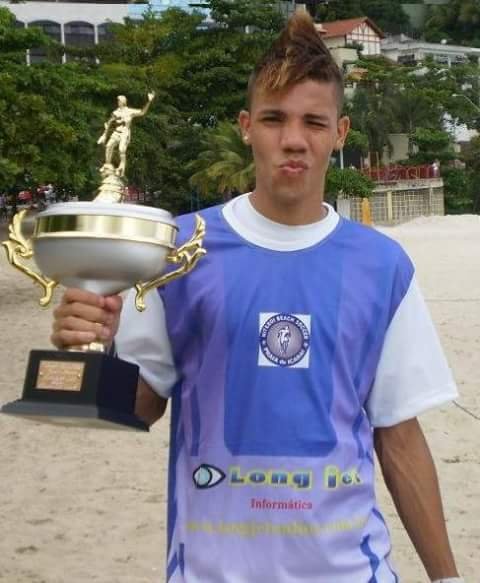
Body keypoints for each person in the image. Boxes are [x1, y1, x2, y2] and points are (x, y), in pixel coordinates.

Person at [51, 12, 463, 583]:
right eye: (274, 119)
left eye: (314, 122)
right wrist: (86, 348)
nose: (293, 139)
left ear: (339, 134)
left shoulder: (382, 265)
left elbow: (397, 434)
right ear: (247, 126)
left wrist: (447, 576)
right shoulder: (177, 251)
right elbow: (142, 406)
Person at [97, 92, 155, 177]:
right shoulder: (116, 112)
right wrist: (104, 135)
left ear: (123, 102)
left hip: (125, 133)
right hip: (117, 132)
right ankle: (107, 165)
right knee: (109, 146)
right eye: (118, 101)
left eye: (119, 101)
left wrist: (149, 101)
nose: (118, 102)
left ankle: (121, 168)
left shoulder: (129, 111)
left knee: (121, 150)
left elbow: (142, 112)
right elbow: (109, 122)